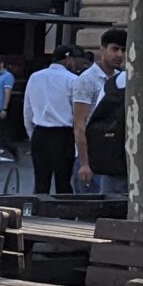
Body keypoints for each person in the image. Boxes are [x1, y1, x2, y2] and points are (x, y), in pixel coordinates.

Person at [26, 43, 90, 194]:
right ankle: (63, 214)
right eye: (78, 61)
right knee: (63, 181)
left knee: (41, 181)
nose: (79, 66)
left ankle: (39, 214)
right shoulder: (73, 80)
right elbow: (77, 114)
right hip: (63, 134)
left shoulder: (35, 77)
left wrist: (32, 133)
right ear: (69, 60)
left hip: (40, 132)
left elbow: (27, 111)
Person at [74, 28, 129, 198]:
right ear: (102, 50)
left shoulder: (121, 78)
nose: (119, 54)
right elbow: (79, 123)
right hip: (91, 155)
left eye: (123, 50)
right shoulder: (87, 79)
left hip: (112, 154)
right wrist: (84, 163)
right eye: (114, 49)